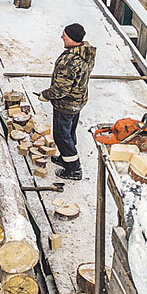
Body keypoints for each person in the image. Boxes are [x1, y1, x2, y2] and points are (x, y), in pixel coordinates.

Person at [38, 23, 96, 180]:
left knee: (61, 136)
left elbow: (61, 89)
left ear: (73, 39)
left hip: (66, 104)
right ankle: (66, 158)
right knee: (69, 131)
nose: (61, 37)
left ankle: (74, 169)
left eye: (65, 35)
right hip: (78, 100)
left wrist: (46, 95)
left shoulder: (70, 61)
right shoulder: (86, 51)